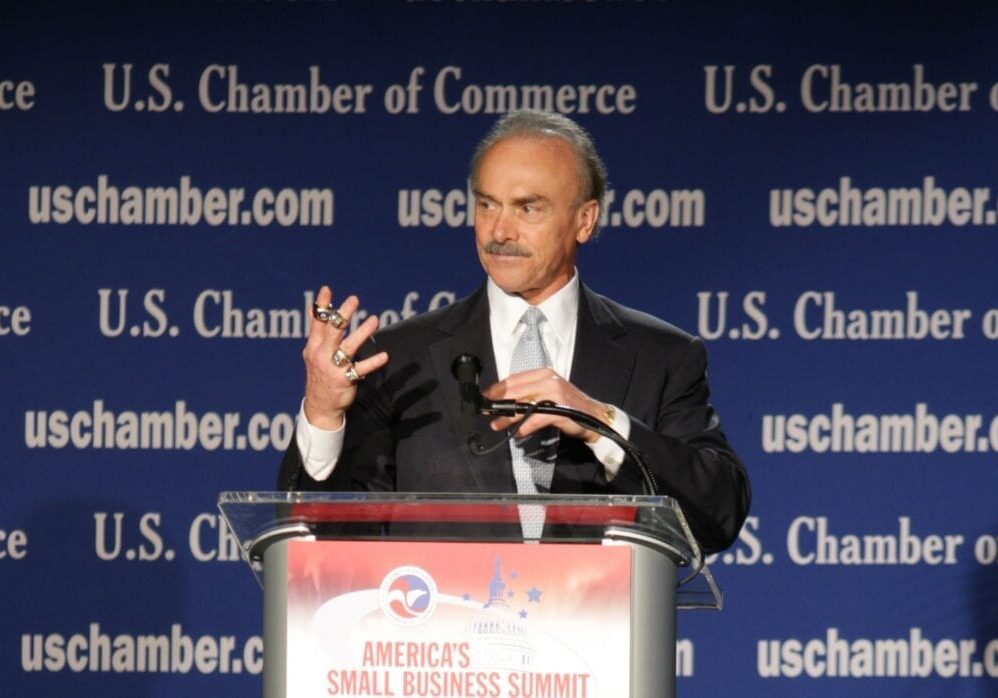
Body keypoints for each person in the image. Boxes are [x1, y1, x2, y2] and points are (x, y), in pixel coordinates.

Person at [278, 109, 749, 554]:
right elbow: (317, 543)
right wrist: (322, 417)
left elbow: (717, 514)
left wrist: (599, 422)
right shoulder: (401, 358)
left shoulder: (662, 357)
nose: (498, 231)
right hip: (445, 636)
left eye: (528, 208)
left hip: (596, 635)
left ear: (585, 220)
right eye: (487, 204)